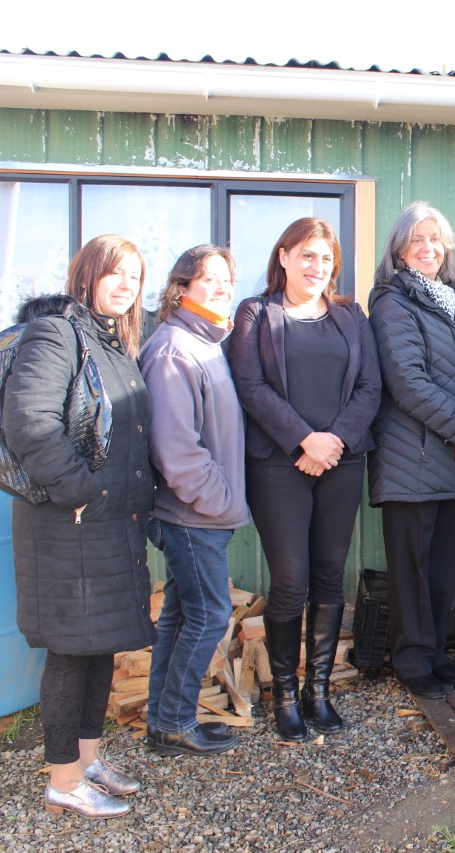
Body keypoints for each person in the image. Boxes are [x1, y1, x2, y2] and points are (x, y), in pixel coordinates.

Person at [3, 235, 155, 819]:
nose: (124, 285)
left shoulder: (112, 342)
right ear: (85, 275)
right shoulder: (56, 333)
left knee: (98, 647)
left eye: (135, 277)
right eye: (114, 273)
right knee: (71, 650)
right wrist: (79, 493)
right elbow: (31, 422)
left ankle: (86, 759)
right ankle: (63, 781)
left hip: (108, 522)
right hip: (69, 524)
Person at [227, 218, 381, 741]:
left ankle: (319, 689)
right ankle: (285, 694)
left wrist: (333, 441)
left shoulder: (350, 315)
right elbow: (250, 387)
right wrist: (303, 440)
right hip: (278, 465)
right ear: (285, 256)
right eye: (307, 256)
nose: (317, 267)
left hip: (342, 460)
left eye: (326, 258)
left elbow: (370, 386)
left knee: (329, 576)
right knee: (290, 580)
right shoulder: (256, 314)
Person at [368, 202, 455, 699]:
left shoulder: (450, 305)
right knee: (413, 568)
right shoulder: (391, 303)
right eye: (417, 239)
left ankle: (438, 653)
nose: (428, 248)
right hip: (412, 462)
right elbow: (408, 383)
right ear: (399, 249)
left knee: (445, 565)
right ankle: (411, 660)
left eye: (436, 240)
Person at [140, 245, 248, 757]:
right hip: (191, 513)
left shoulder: (205, 342)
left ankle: (163, 722)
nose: (222, 288)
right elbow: (176, 449)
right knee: (207, 615)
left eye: (227, 279)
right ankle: (176, 722)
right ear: (181, 289)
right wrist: (219, 498)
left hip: (200, 512)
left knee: (181, 617)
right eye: (210, 279)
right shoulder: (173, 350)